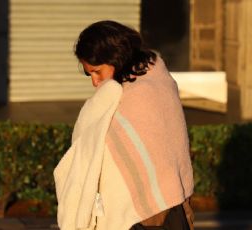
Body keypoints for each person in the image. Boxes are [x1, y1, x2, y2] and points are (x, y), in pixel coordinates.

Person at [54, 20, 194, 230]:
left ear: (115, 59)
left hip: (141, 220)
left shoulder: (132, 98)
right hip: (172, 210)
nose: (94, 82)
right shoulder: (160, 82)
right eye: (88, 74)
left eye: (97, 71)